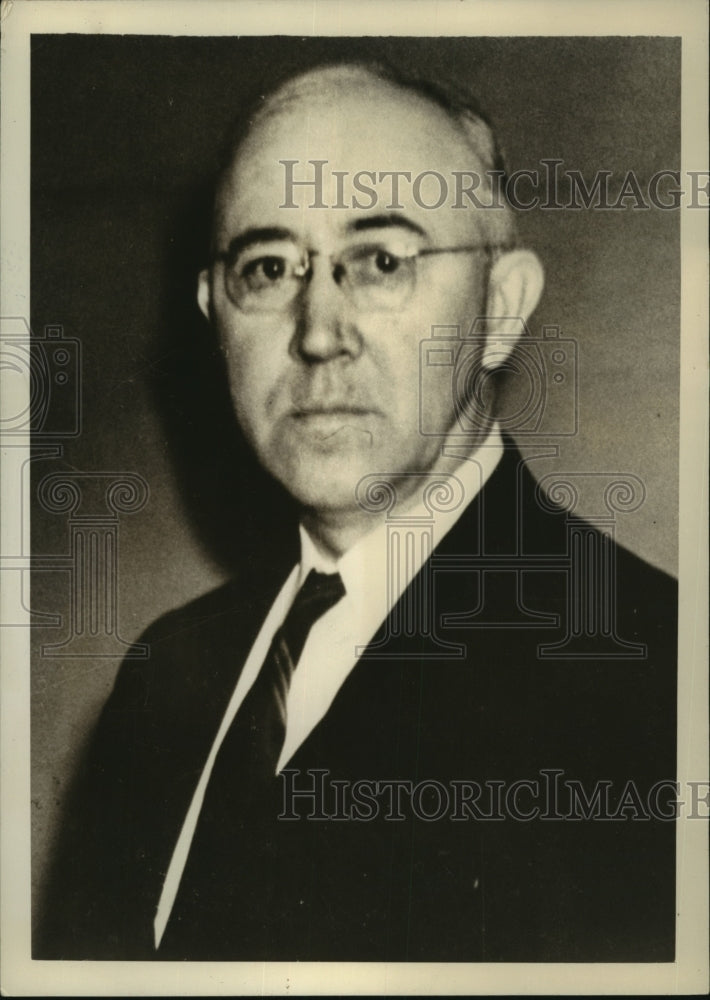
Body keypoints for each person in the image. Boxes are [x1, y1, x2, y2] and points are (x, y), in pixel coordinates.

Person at [36, 59, 677, 963]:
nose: (318, 329)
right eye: (268, 267)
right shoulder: (165, 675)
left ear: (499, 308)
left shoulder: (654, 685)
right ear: (213, 311)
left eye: (380, 260)